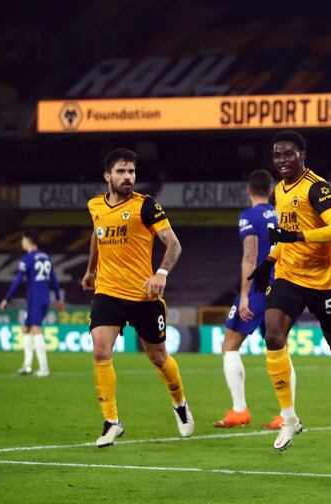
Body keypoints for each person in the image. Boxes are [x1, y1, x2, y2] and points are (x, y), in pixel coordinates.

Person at [248, 130, 331, 451]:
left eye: (288, 154)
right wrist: (267, 262)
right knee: (273, 337)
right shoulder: (279, 192)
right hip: (288, 277)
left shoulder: (317, 188)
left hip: (325, 281)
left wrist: (297, 237)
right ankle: (289, 418)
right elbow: (282, 237)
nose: (282, 161)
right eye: (277, 155)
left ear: (303, 155)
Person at [82, 148, 193, 448]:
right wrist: (91, 269)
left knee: (158, 357)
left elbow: (173, 244)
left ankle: (180, 404)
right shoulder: (95, 205)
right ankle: (111, 422)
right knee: (100, 349)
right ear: (108, 176)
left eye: (131, 171)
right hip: (107, 292)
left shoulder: (146, 206)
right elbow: (97, 233)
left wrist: (161, 274)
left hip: (144, 295)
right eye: (121, 171)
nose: (128, 176)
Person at [214, 169, 294, 430]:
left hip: (258, 288)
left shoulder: (248, 217)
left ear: (248, 190)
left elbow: (250, 255)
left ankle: (239, 411)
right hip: (281, 285)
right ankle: (287, 414)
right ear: (271, 190)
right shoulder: (280, 213)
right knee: (279, 349)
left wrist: (245, 295)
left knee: (230, 345)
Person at [0, 229, 64, 377]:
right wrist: (59, 299)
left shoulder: (27, 258)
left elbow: (17, 280)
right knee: (26, 328)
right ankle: (27, 366)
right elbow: (53, 279)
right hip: (44, 298)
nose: (22, 242)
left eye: (23, 240)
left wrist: (6, 299)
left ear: (28, 240)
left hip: (35, 299)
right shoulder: (45, 257)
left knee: (35, 329)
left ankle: (44, 368)